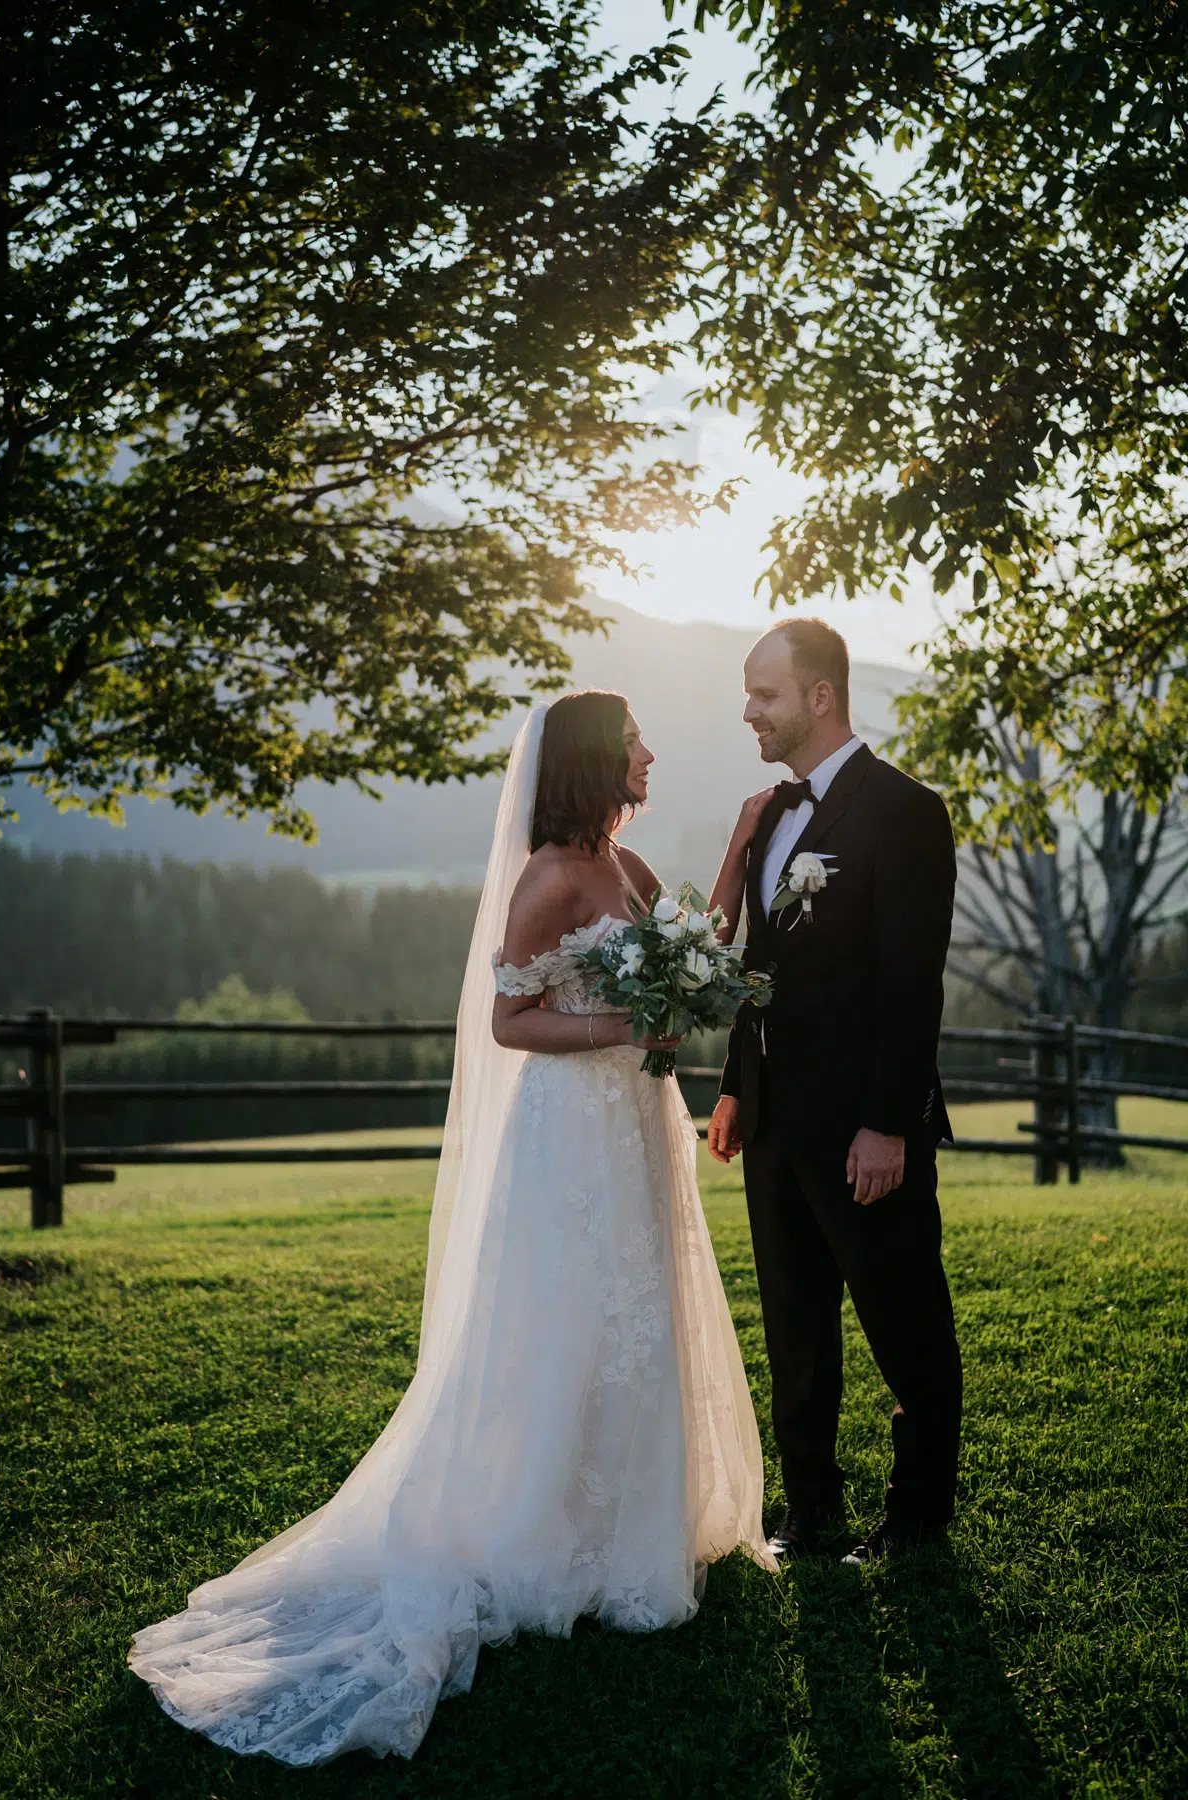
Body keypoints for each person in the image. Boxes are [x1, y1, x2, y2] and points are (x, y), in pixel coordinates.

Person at [128, 690, 774, 1767]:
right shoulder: (550, 877)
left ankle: (634, 1534)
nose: (651, 754)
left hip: (633, 1122)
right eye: (634, 744)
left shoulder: (629, 866)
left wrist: (744, 854)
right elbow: (507, 1018)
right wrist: (622, 1021)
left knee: (639, 1314)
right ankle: (546, 1534)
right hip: (568, 1128)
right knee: (569, 1320)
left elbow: (695, 948)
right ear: (590, 762)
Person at [707, 619, 962, 1566]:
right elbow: (758, 966)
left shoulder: (904, 810)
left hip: (864, 1127)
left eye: (764, 696)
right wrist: (738, 1085)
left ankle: (919, 1517)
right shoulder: (770, 814)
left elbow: (911, 981)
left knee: (905, 1320)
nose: (749, 713)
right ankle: (811, 1512)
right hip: (775, 1123)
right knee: (796, 1328)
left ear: (820, 697)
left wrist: (887, 1125)